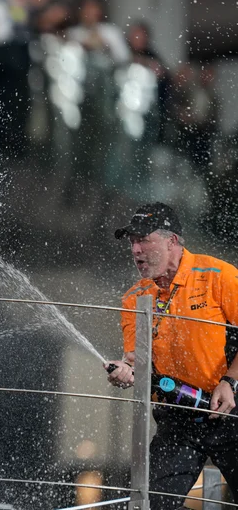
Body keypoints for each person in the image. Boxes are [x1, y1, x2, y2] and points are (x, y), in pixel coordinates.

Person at [106, 202, 238, 509]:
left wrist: (230, 382)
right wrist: (124, 371)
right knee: (150, 504)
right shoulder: (135, 298)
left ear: (172, 241)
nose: (136, 249)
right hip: (178, 417)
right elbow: (135, 360)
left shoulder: (219, 276)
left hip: (232, 410)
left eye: (143, 239)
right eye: (131, 242)